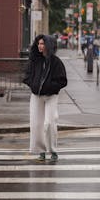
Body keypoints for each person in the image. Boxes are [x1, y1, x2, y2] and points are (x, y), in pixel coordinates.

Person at [23, 34, 67, 162]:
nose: (40, 46)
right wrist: (33, 85)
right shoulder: (34, 60)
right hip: (36, 96)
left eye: (42, 44)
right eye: (38, 44)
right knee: (36, 125)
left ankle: (53, 151)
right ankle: (41, 151)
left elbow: (63, 81)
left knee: (49, 123)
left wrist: (50, 87)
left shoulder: (56, 62)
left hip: (51, 96)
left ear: (48, 45)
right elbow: (26, 76)